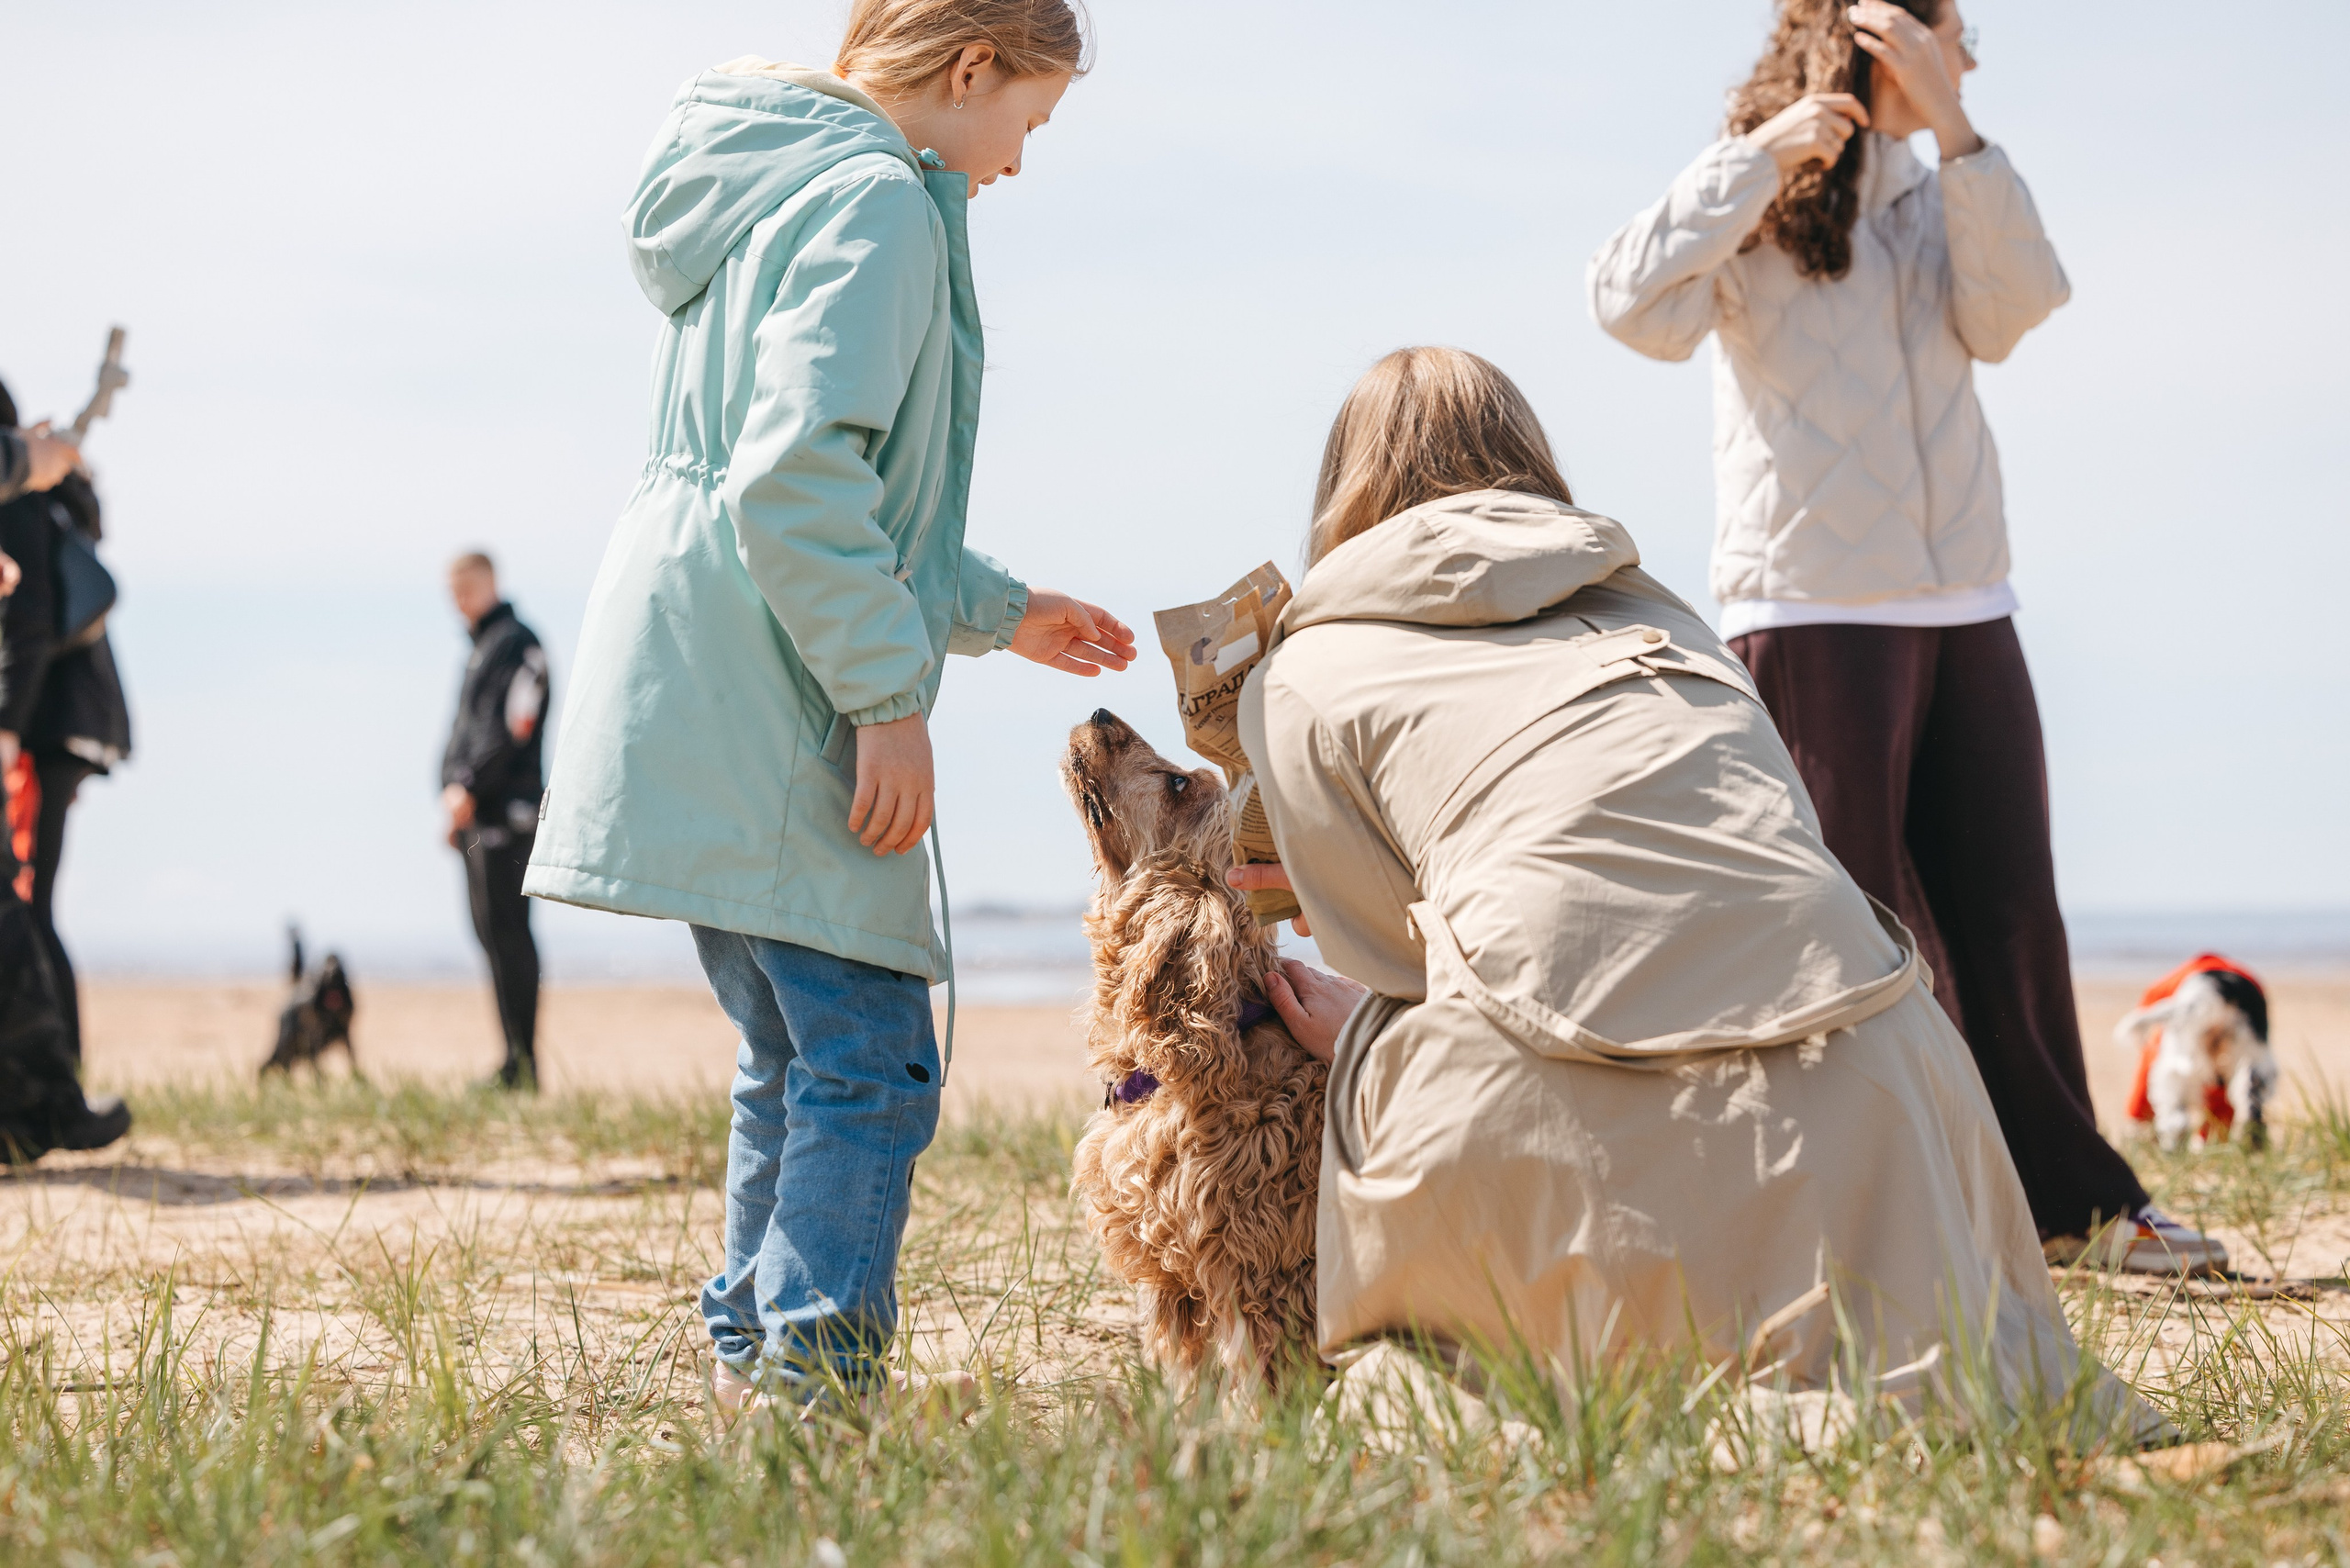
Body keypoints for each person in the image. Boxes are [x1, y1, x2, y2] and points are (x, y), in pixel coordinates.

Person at [1233, 347, 2165, 1440]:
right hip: (1878, 1084)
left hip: (1554, 1080)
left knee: (1388, 1064)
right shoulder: (1673, 625)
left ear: (1342, 492)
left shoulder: (1303, 668)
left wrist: (1373, 1024)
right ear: (1531, 462)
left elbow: (1388, 953)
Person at [526, 0, 1136, 1410]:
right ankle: (811, 1393)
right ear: (971, 68)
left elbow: (830, 489)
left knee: (792, 1054)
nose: (1018, 164)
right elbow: (799, 479)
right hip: (773, 674)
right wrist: (887, 700)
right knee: (871, 1060)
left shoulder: (773, 177)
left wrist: (998, 608)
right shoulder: (880, 205)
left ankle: (751, 1366)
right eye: (1028, 123)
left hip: (692, 657)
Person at [1584, 0, 2213, 1273]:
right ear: (1882, 42)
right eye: (1951, 34)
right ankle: (1857, 1222)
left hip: (1967, 599)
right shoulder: (1757, 197)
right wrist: (1762, 157)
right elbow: (1625, 302)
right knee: (1850, 929)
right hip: (1813, 604)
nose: (1967, 54)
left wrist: (1964, 130)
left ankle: (2074, 1213)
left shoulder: (1943, 189)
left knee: (2008, 918)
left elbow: (2016, 310)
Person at [0, 377, 128, 1160]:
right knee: (21, 911)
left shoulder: (31, 498)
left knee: (24, 908)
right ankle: (47, 1104)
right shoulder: (30, 487)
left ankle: (43, 1103)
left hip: (42, 733)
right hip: (42, 733)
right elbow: (36, 619)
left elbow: (32, 616)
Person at [441, 552, 551, 1091]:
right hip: (476, 815)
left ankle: (523, 1065)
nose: (458, 603)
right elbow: (464, 728)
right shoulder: (480, 649)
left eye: (465, 590)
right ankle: (511, 1060)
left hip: (510, 814)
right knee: (489, 934)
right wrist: (449, 791)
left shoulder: (515, 642)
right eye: (452, 594)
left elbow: (512, 726)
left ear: (488, 585)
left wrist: (467, 782)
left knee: (510, 935)